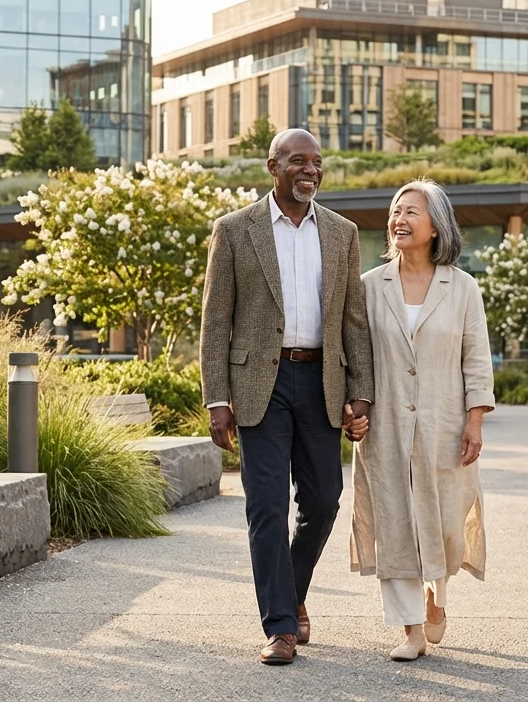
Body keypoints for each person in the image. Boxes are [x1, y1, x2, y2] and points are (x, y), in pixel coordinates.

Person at [200, 128, 374, 666]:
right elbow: (216, 320)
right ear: (272, 166)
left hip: (322, 380)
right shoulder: (234, 230)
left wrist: (361, 392)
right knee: (267, 505)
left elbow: (352, 316)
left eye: (317, 163)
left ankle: (291, 590)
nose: (310, 171)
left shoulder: (342, 233)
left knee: (323, 501)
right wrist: (217, 398)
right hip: (260, 387)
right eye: (298, 161)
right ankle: (279, 626)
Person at [347, 179, 495, 661]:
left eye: (412, 211)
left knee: (446, 520)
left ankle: (437, 595)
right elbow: (355, 357)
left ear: (436, 226)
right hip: (385, 426)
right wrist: (354, 407)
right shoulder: (369, 286)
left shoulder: (463, 288)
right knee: (394, 521)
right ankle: (409, 628)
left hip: (444, 424)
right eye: (396, 211)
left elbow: (476, 360)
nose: (400, 219)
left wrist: (475, 421)